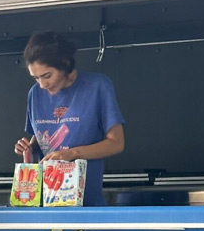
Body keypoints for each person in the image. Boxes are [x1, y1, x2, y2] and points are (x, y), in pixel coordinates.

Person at [14, 31, 125, 207]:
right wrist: (29, 147)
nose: (42, 85)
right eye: (36, 78)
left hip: (87, 204)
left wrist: (71, 154)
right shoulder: (34, 94)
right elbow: (42, 136)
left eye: (47, 76)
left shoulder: (98, 86)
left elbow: (116, 143)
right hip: (43, 202)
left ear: (64, 64)